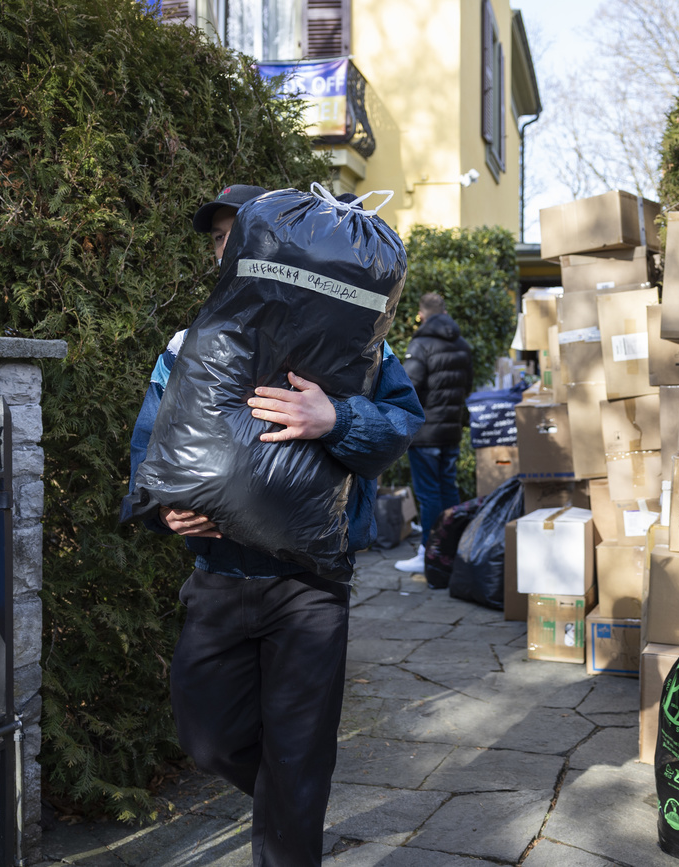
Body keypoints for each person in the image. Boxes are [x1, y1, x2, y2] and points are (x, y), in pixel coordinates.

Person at [128, 183, 423, 867]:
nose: (225, 246)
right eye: (218, 238)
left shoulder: (349, 351)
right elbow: (149, 450)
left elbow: (400, 428)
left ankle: (292, 809)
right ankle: (288, 795)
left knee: (297, 757)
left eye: (237, 232)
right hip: (219, 578)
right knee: (209, 740)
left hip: (308, 589)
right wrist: (161, 512)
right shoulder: (187, 348)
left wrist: (336, 417)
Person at [393, 292, 474, 573]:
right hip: (451, 431)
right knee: (448, 490)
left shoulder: (421, 344)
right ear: (445, 310)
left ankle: (429, 553)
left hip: (426, 433)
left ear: (422, 314)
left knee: (428, 495)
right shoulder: (462, 344)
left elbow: (407, 386)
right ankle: (450, 550)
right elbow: (467, 387)